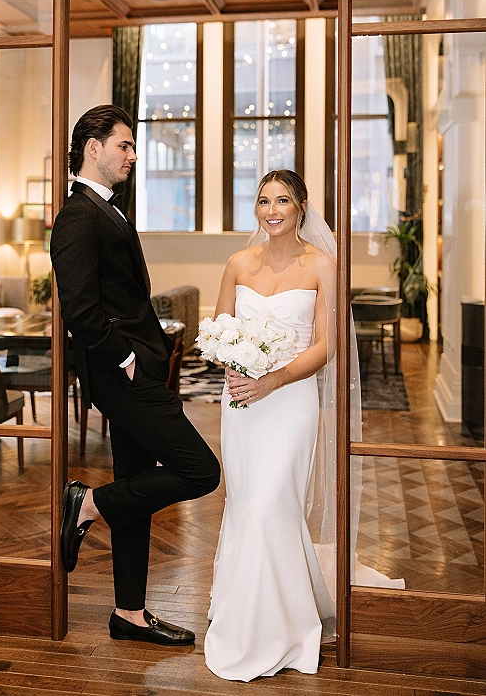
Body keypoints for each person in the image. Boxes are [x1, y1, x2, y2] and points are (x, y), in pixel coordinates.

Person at [203, 169, 402, 682]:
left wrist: (271, 380)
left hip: (290, 401)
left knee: (273, 503)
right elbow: (220, 328)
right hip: (242, 402)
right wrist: (235, 363)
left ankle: (283, 628)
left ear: (302, 207)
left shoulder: (323, 265)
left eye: (283, 201)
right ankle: (242, 612)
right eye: (264, 200)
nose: (272, 210)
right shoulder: (237, 263)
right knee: (247, 504)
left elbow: (326, 344)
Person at [51, 104, 220, 647]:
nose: (132, 154)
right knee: (201, 470)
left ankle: (130, 613)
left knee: (136, 485)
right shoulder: (78, 216)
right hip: (124, 378)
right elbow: (80, 308)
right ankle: (89, 504)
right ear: (92, 149)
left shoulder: (108, 210)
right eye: (123, 145)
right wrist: (124, 359)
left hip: (134, 369)